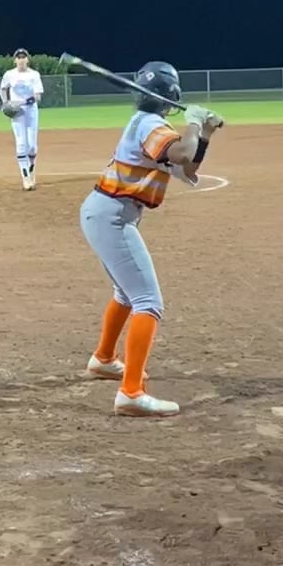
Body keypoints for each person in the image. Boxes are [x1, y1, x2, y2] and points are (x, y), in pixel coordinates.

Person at [79, 62, 223, 417]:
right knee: (148, 302)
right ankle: (130, 393)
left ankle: (103, 358)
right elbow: (183, 153)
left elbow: (187, 168)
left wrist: (204, 134)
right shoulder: (150, 126)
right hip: (112, 216)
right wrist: (193, 122)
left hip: (107, 213)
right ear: (170, 96)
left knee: (126, 293)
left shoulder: (150, 125)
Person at [0, 48, 45, 190]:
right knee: (21, 144)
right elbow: (2, 89)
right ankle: (26, 178)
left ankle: (32, 170)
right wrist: (6, 102)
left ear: (27, 60)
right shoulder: (9, 74)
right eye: (18, 57)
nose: (21, 59)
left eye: (23, 57)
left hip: (31, 112)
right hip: (17, 114)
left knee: (32, 146)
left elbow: (38, 96)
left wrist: (22, 102)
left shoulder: (34, 75)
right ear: (15, 60)